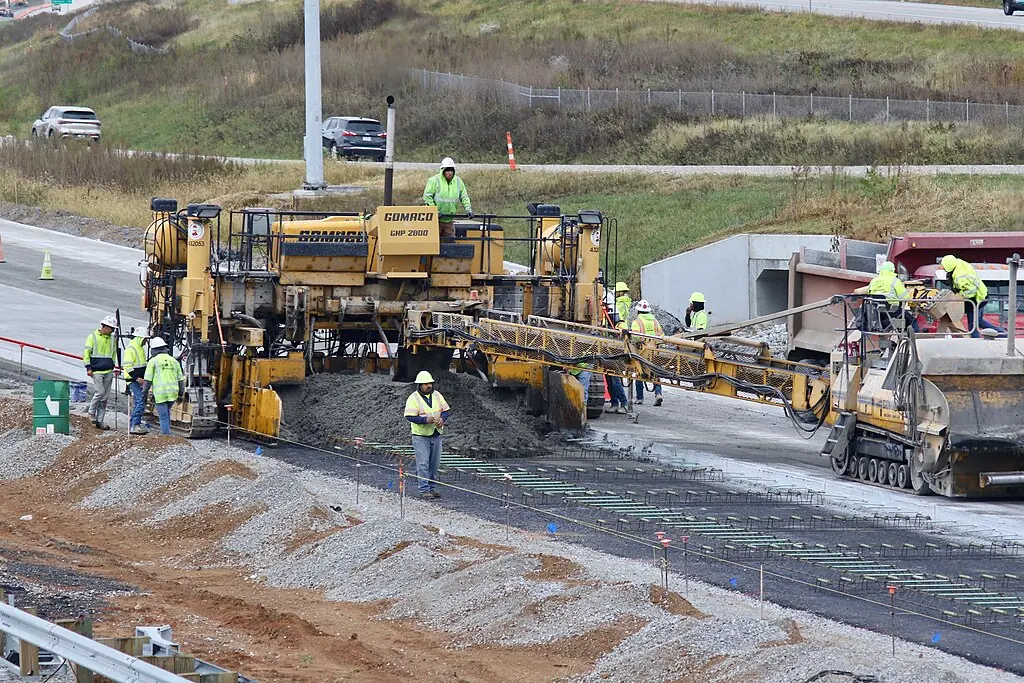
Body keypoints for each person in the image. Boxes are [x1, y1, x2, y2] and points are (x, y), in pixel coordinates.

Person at [404, 370, 451, 499]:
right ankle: (424, 489)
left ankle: (432, 488)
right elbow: (409, 416)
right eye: (425, 384)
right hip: (421, 436)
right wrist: (425, 420)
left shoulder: (437, 395)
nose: (428, 386)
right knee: (423, 464)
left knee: (434, 464)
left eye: (429, 383)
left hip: (436, 434)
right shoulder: (413, 398)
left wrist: (442, 419)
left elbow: (446, 411)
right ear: (419, 385)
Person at [941, 254, 1004, 339]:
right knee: (978, 322)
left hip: (975, 300)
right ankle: (1002, 333)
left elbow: (971, 291)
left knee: (973, 325)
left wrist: (961, 296)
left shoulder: (960, 276)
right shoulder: (960, 264)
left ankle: (976, 341)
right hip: (982, 296)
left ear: (948, 266)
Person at [143, 336, 184, 436]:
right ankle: (165, 432)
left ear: (154, 350)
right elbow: (180, 379)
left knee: (163, 415)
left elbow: (147, 380)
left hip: (161, 394)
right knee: (166, 412)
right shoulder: (174, 361)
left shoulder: (153, 361)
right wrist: (180, 394)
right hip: (173, 393)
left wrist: (144, 393)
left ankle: (166, 436)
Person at [423, 157, 472, 238]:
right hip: (435, 220)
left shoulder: (458, 181)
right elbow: (427, 197)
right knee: (433, 244)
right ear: (443, 171)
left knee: (450, 245)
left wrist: (468, 210)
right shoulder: (434, 180)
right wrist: (435, 211)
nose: (450, 173)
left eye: (451, 170)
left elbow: (464, 197)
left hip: (449, 220)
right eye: (447, 171)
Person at [83, 315, 118, 430]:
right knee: (100, 392)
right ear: (105, 327)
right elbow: (86, 353)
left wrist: (114, 366)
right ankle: (91, 413)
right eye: (111, 329)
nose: (112, 331)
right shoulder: (92, 337)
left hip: (108, 371)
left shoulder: (113, 339)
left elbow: (114, 354)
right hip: (96, 370)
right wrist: (88, 367)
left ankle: (100, 421)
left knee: (105, 397)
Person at [866, 261, 919, 332]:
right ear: (892, 270)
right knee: (913, 322)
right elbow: (905, 297)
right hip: (892, 312)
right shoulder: (895, 281)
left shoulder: (874, 281)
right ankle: (916, 340)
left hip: (876, 314)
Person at [630, 300, 664, 407]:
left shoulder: (637, 322)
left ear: (638, 311)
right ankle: (658, 394)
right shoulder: (655, 321)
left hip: (642, 352)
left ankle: (640, 398)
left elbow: (634, 338)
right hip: (654, 351)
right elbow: (661, 336)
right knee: (655, 373)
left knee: (639, 373)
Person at [122, 327, 150, 435]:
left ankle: (134, 423)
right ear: (140, 338)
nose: (146, 341)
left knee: (140, 401)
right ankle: (134, 425)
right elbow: (128, 366)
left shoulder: (139, 348)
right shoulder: (131, 349)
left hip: (138, 380)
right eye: (145, 339)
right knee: (140, 401)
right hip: (133, 380)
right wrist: (137, 378)